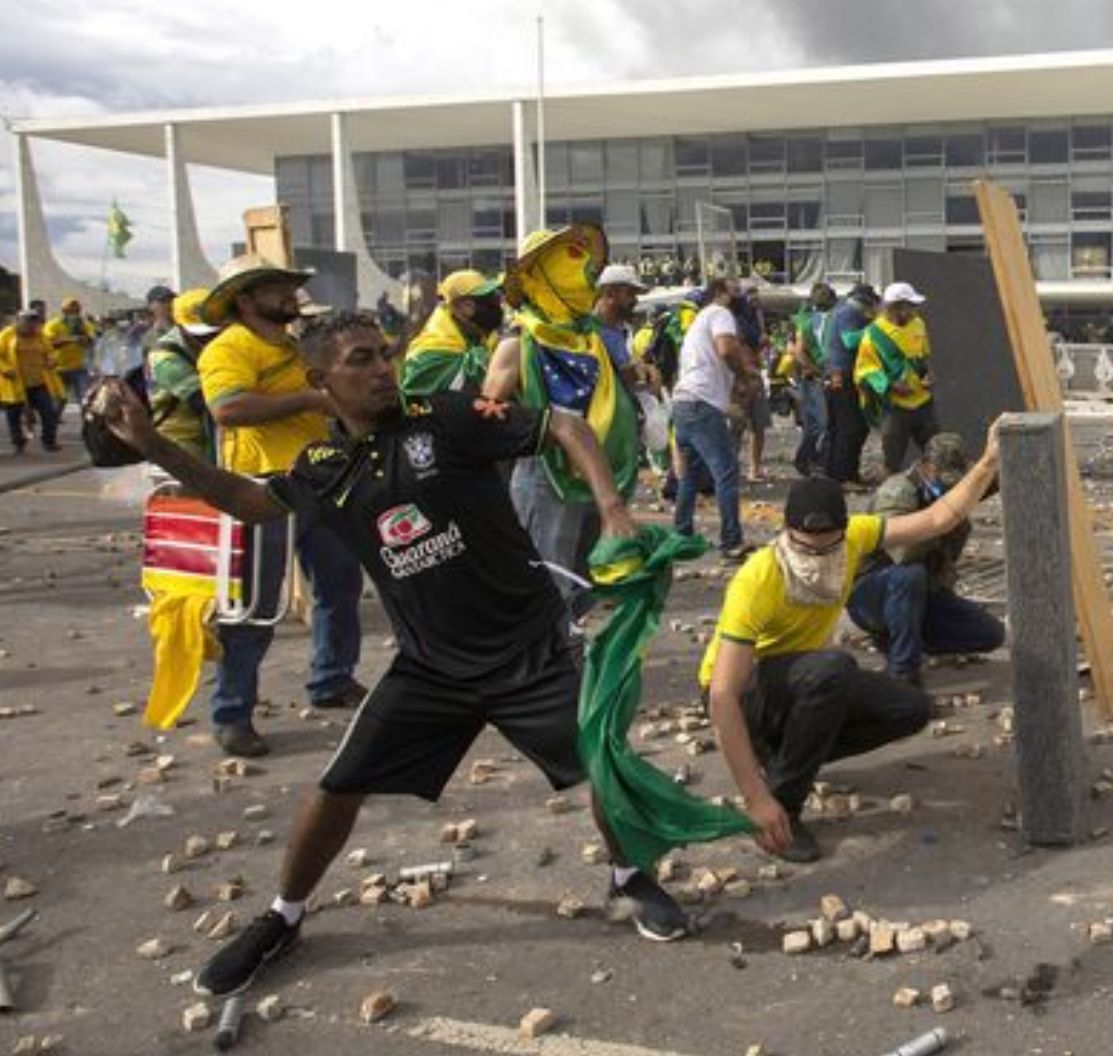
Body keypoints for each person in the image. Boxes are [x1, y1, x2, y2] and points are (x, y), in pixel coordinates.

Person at [87, 309, 706, 997]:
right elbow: (244, 499)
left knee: (603, 762)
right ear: (319, 379)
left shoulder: (447, 414)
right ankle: (283, 917)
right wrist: (150, 441)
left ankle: (627, 877)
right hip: (431, 667)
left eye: (383, 353)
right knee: (336, 787)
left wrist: (613, 507)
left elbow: (564, 425)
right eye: (360, 359)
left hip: (529, 650)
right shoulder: (322, 466)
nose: (382, 367)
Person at [700, 437, 1001, 863]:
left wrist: (987, 461)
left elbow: (937, 519)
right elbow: (721, 694)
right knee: (833, 669)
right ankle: (782, 807)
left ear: (844, 533)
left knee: (910, 707)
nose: (818, 557)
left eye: (829, 546)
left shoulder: (857, 537)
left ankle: (784, 758)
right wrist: (754, 799)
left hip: (801, 680)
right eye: (806, 546)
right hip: (747, 694)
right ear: (787, 532)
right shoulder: (758, 578)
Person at [199, 254, 368, 757]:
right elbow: (228, 407)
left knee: (339, 583)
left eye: (288, 286)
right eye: (275, 288)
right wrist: (308, 402)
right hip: (258, 487)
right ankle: (232, 712)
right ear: (246, 300)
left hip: (317, 478)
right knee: (254, 604)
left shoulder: (296, 348)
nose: (288, 295)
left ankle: (332, 679)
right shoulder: (229, 348)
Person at [483, 226, 642, 614]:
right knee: (548, 577)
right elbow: (487, 413)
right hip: (545, 472)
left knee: (587, 575)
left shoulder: (590, 339)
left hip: (595, 470)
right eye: (569, 264)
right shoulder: (519, 342)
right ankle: (548, 658)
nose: (584, 274)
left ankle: (562, 642)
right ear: (543, 277)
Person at [848, 434, 1005, 685]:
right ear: (927, 467)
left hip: (923, 593)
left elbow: (990, 480)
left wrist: (991, 460)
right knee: (910, 576)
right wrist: (943, 518)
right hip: (874, 591)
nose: (952, 488)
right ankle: (903, 674)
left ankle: (903, 636)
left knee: (989, 634)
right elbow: (904, 552)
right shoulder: (897, 492)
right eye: (946, 480)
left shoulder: (947, 486)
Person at [669, 278, 757, 559]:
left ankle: (681, 535)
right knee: (726, 472)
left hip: (683, 402)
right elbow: (726, 350)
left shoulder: (697, 321)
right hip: (702, 403)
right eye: (735, 292)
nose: (740, 296)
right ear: (719, 294)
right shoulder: (720, 313)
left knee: (690, 475)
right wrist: (744, 374)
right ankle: (731, 541)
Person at [856, 282, 938, 474]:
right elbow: (865, 372)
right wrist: (892, 386)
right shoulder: (873, 336)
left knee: (937, 452)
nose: (915, 311)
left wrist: (929, 374)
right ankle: (891, 494)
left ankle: (939, 494)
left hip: (923, 402)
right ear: (896, 307)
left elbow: (923, 356)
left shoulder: (918, 324)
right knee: (892, 459)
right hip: (895, 408)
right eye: (911, 306)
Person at [144, 288, 222, 462]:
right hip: (181, 439)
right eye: (200, 334)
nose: (209, 338)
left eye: (214, 332)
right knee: (193, 486)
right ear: (179, 324)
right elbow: (205, 400)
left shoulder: (214, 344)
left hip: (209, 432)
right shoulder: (164, 357)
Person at [400, 270, 505, 396]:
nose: (499, 306)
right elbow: (460, 385)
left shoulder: (471, 332)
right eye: (491, 300)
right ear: (466, 307)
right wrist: (503, 347)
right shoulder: (431, 347)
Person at [823, 283, 880, 486]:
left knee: (839, 428)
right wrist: (875, 326)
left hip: (836, 374)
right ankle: (844, 476)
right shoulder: (849, 313)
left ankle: (837, 475)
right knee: (851, 427)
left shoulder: (839, 312)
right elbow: (850, 341)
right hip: (844, 376)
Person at [785, 283, 835, 478]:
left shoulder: (806, 320)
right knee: (821, 424)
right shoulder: (810, 322)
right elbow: (797, 351)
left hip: (808, 378)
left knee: (814, 424)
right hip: (813, 378)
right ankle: (809, 461)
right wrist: (815, 370)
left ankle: (807, 460)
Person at [0, 311, 61, 453]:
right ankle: (18, 442)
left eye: (34, 322)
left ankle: (49, 442)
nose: (31, 325)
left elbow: (50, 352)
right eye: (27, 321)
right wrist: (5, 369)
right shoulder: (7, 335)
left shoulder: (40, 335)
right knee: (14, 416)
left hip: (38, 382)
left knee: (49, 413)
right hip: (15, 383)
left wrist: (52, 360)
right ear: (19, 321)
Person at [730, 281, 772, 482]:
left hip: (755, 372)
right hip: (740, 376)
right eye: (749, 294)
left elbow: (761, 344)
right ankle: (732, 468)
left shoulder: (757, 317)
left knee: (759, 423)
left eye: (756, 294)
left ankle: (754, 468)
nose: (753, 298)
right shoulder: (733, 319)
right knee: (736, 425)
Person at [45, 297, 97, 407]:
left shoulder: (83, 324)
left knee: (86, 398)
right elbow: (49, 344)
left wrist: (85, 337)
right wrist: (70, 339)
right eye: (70, 311)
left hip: (78, 367)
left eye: (76, 311)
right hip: (57, 368)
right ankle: (52, 421)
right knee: (60, 400)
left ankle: (87, 423)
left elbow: (91, 340)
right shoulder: (53, 325)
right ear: (63, 312)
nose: (74, 314)